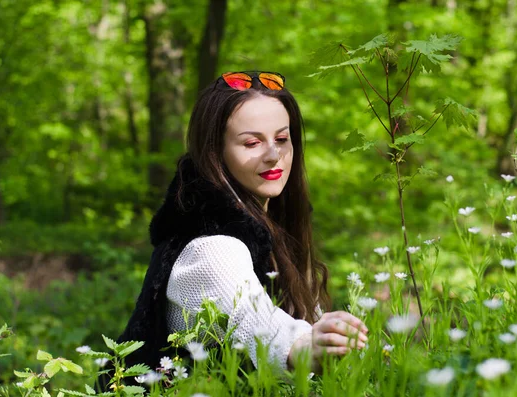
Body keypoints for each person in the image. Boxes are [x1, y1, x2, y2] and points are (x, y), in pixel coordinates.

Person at [113, 71, 368, 382]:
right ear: (215, 153)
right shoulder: (210, 248)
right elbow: (260, 326)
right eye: (251, 142)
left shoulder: (272, 230)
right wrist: (306, 346)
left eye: (282, 139)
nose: (274, 155)